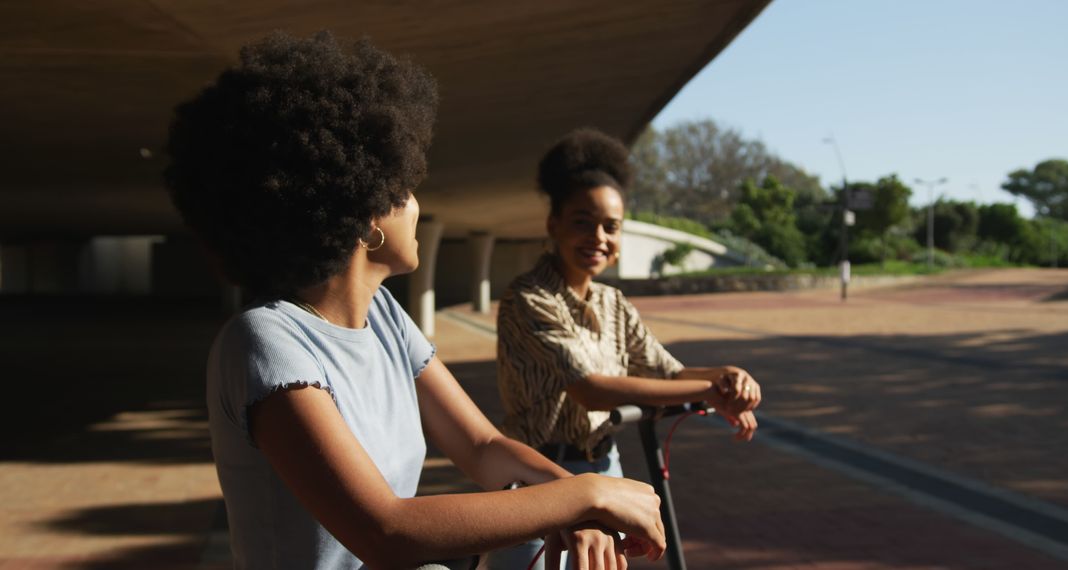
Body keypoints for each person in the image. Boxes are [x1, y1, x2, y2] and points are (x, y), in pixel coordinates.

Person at [164, 32, 666, 570]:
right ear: (366, 215)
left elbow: (481, 447)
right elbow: (387, 531)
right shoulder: (265, 342)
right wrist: (586, 495)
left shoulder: (383, 317)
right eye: (403, 188)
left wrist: (579, 503)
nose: (416, 206)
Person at [491, 128, 763, 567]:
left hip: (603, 470)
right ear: (553, 224)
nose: (598, 236)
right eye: (582, 221)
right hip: (536, 483)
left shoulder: (613, 303)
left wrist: (726, 377)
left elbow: (668, 372)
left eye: (610, 226)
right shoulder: (528, 298)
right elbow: (592, 389)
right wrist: (705, 392)